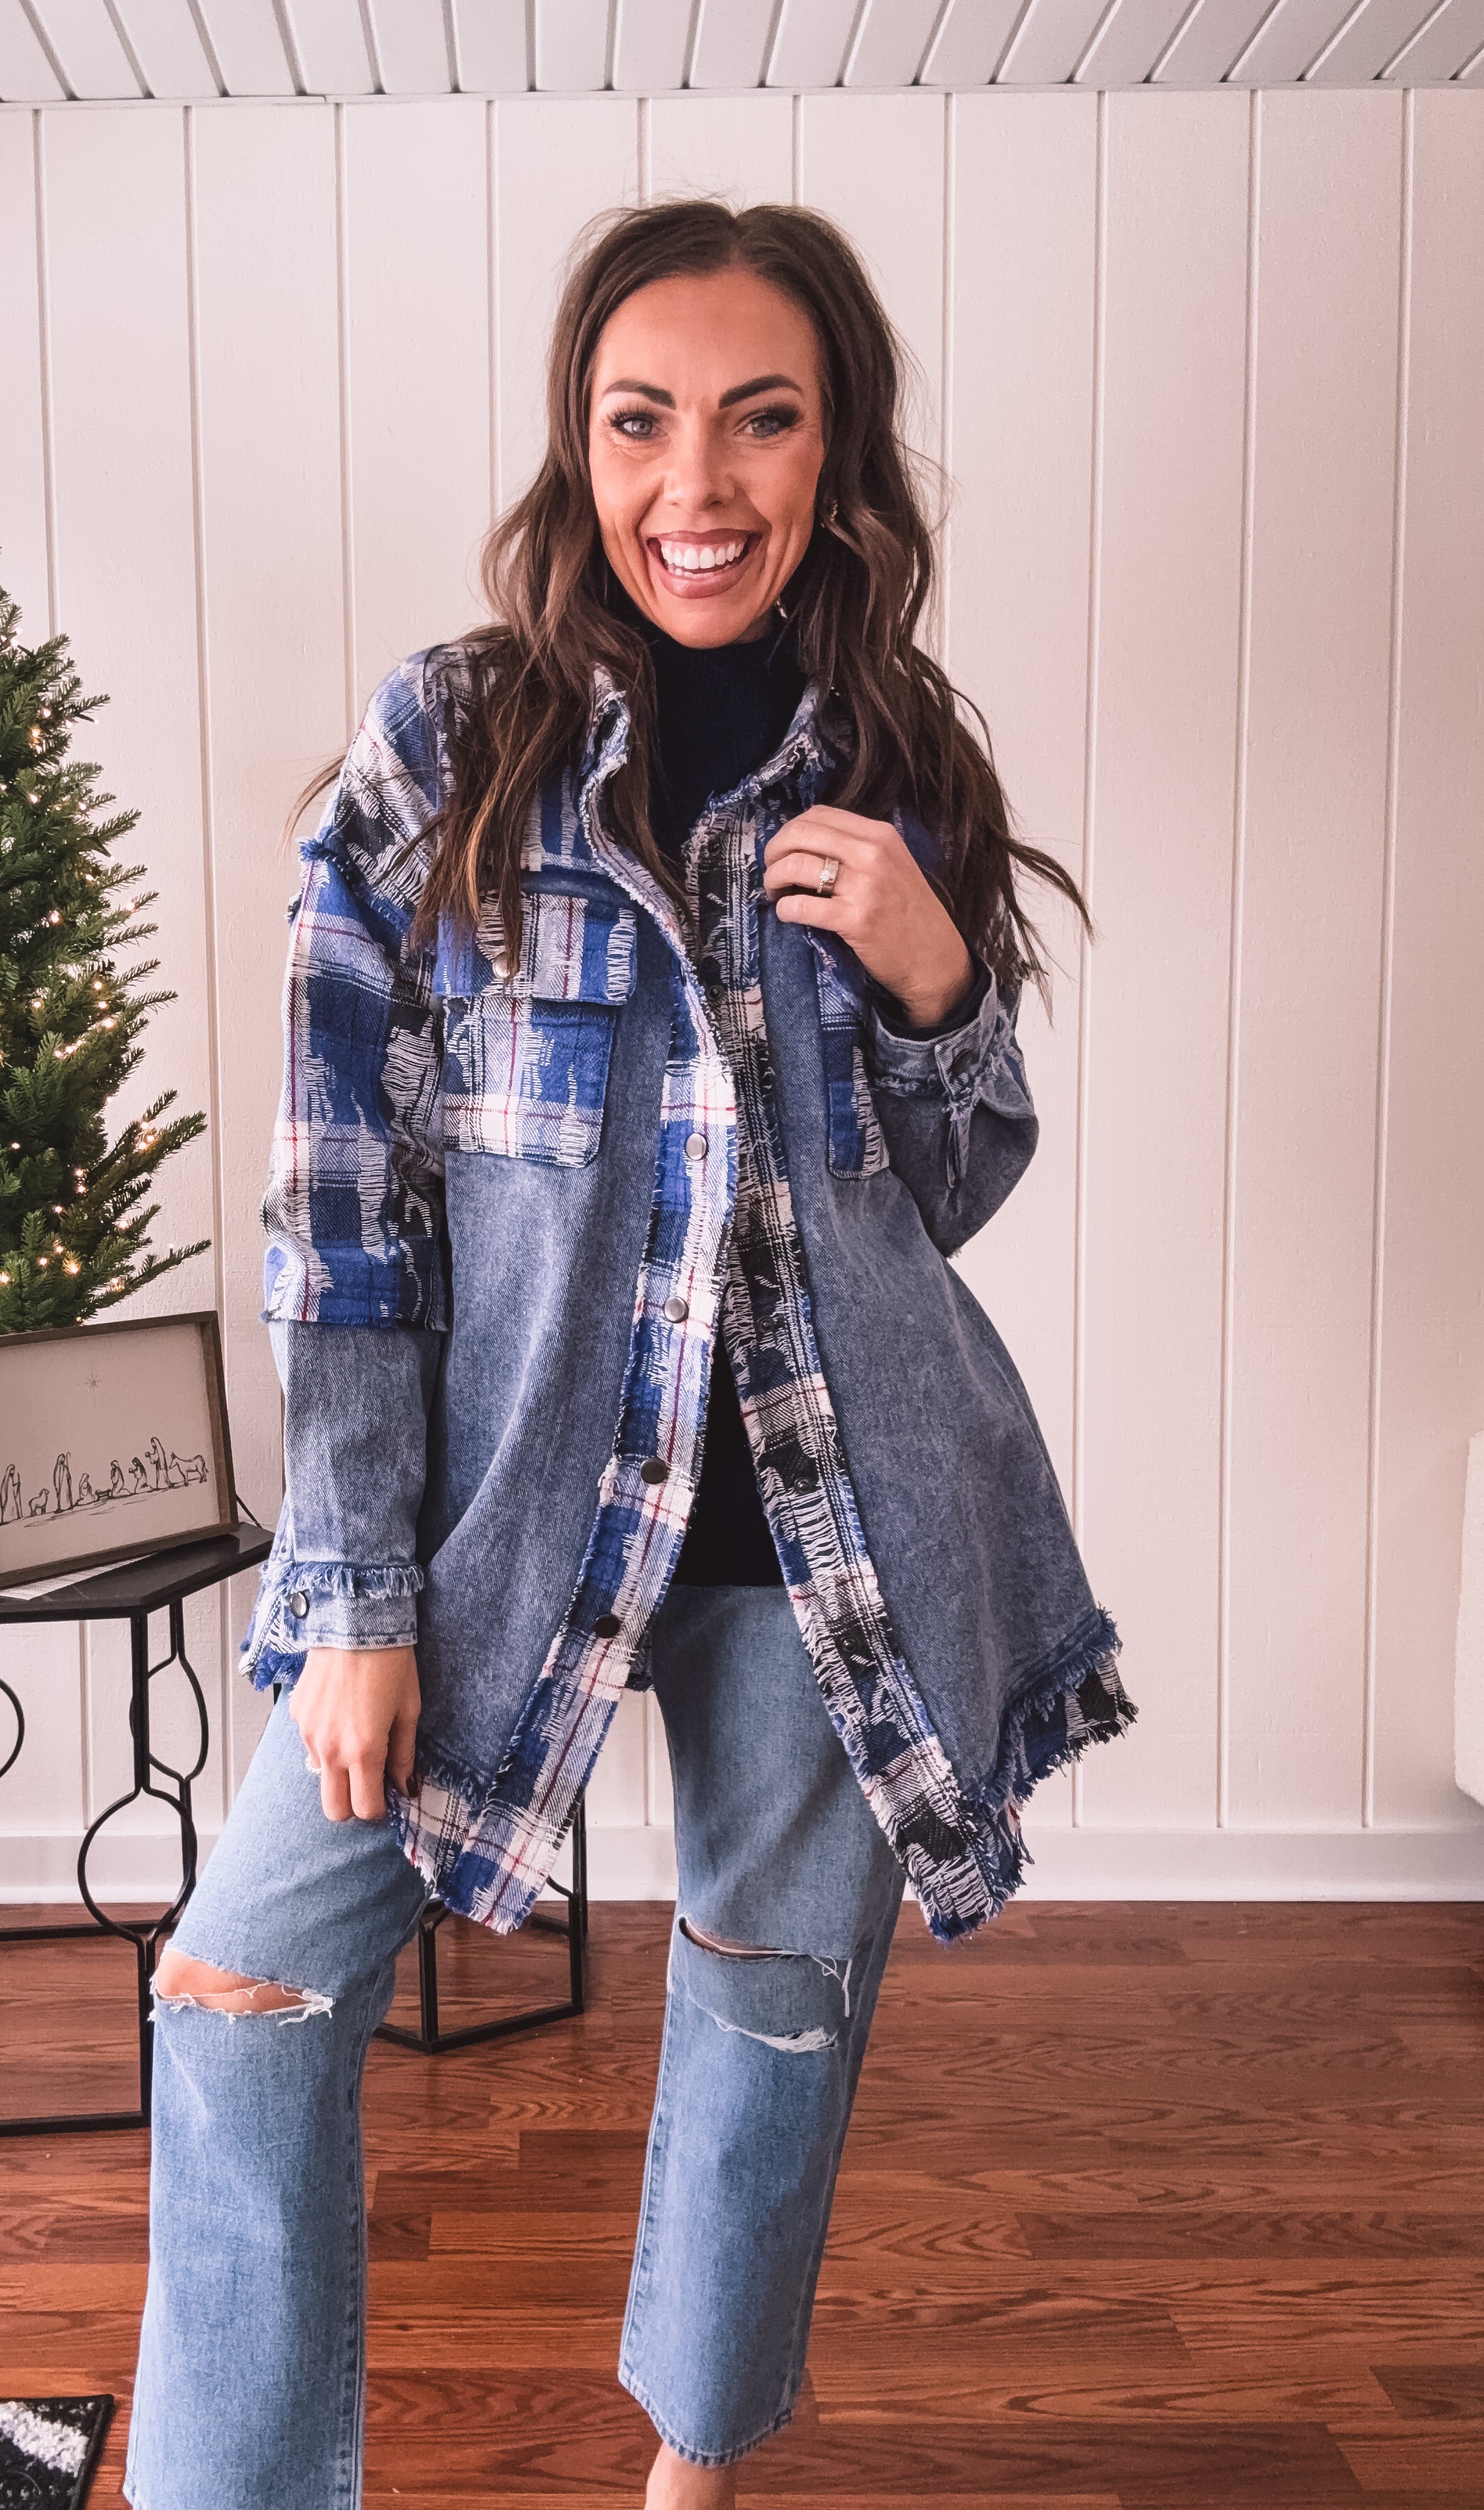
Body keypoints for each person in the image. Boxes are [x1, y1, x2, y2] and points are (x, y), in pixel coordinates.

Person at [126, 199, 1137, 2510]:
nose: (699, 481)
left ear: (834, 452)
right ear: (578, 445)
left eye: (761, 420)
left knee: (772, 2005)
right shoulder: (450, 747)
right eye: (642, 420)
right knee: (243, 1990)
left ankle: (692, 2477)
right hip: (508, 1523)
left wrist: (937, 978)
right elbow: (343, 1209)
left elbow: (948, 1184)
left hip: (829, 1526)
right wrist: (354, 1593)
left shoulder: (899, 762)